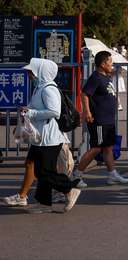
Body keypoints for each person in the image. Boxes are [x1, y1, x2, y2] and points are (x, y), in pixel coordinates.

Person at [21, 58, 82, 213]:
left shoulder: (49, 89)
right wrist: (28, 110)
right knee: (40, 170)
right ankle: (44, 203)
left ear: (40, 72)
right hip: (40, 137)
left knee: (44, 172)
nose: (29, 75)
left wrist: (32, 113)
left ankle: (70, 188)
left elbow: (54, 111)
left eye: (31, 71)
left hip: (50, 138)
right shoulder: (39, 88)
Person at [73, 51, 128, 186]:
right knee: (97, 148)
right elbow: (85, 94)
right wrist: (87, 112)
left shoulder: (106, 77)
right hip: (99, 120)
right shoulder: (96, 77)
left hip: (108, 120)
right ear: (103, 64)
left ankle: (112, 174)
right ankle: (76, 175)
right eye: (110, 62)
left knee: (108, 147)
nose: (112, 64)